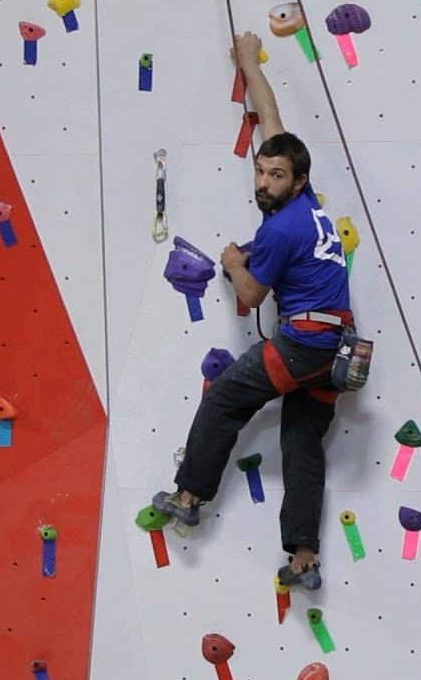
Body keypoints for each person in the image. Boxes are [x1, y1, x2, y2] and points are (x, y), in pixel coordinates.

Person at [151, 30, 353, 591]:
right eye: (261, 173)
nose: (264, 182)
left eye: (275, 176)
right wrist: (249, 64)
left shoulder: (284, 228)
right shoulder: (310, 208)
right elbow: (271, 115)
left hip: (305, 343)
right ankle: (304, 558)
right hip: (336, 348)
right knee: (301, 445)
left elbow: (250, 297)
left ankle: (189, 495)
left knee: (225, 401)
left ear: (299, 181)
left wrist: (232, 259)